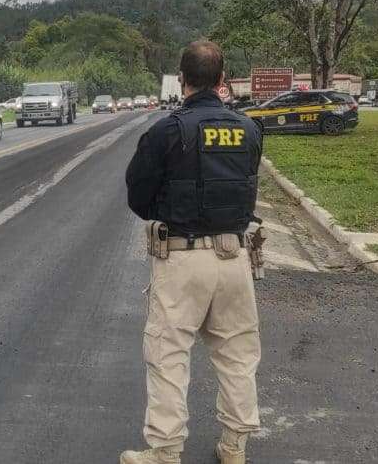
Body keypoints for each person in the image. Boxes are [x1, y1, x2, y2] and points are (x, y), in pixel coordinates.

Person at [122, 41, 263, 464]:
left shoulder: (167, 131)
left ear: (181, 79)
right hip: (235, 258)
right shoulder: (250, 129)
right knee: (237, 356)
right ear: (222, 80)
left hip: (181, 259)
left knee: (168, 355)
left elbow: (138, 197)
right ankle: (234, 448)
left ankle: (165, 451)